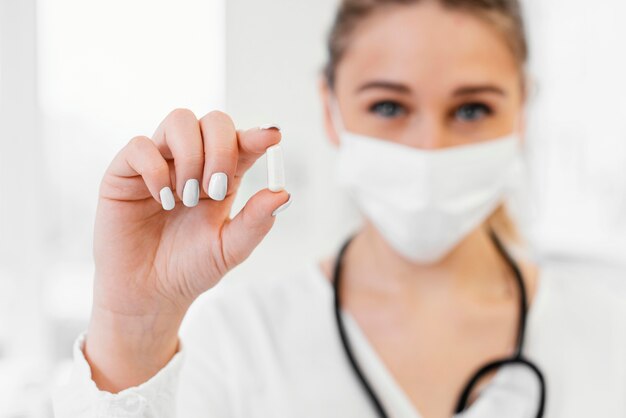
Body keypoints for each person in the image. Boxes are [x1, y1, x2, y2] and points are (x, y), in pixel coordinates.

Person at [53, 0, 626, 417]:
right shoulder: (236, 342)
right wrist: (132, 330)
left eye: (472, 110)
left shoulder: (611, 334)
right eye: (387, 105)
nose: (429, 149)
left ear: (524, 110)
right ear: (330, 109)